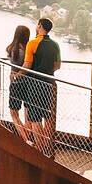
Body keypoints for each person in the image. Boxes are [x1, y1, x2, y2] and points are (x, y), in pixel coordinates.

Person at [23, 17, 63, 152]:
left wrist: (18, 74)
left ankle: (39, 151)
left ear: (39, 26)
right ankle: (46, 148)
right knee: (48, 116)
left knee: (35, 117)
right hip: (49, 83)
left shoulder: (32, 43)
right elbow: (57, 66)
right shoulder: (55, 45)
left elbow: (27, 65)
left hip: (35, 84)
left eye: (37, 24)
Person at [4, 24, 35, 135]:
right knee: (27, 114)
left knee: (14, 113)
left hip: (16, 83)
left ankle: (25, 138)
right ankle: (27, 137)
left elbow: (14, 65)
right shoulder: (29, 50)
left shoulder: (12, 49)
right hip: (29, 83)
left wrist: (15, 73)